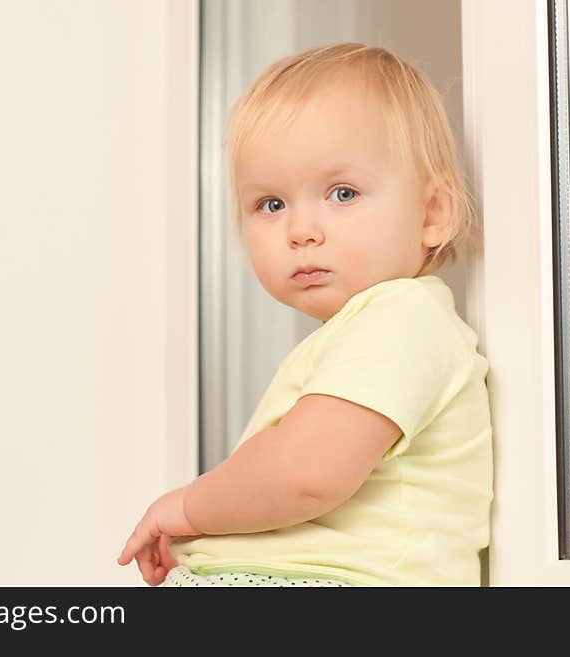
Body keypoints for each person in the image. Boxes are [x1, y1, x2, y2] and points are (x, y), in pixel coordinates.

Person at [117, 42, 493, 586]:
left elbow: (306, 474)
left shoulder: (401, 320)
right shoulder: (367, 329)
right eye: (271, 204)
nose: (301, 231)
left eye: (342, 193)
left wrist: (187, 508)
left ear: (432, 213)